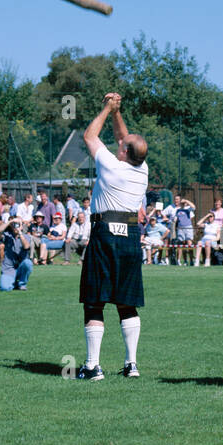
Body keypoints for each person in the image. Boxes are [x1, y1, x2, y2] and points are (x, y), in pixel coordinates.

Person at [77, 92, 148, 381]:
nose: (120, 145)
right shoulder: (141, 169)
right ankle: (131, 364)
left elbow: (89, 136)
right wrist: (118, 112)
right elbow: (125, 138)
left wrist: (107, 107)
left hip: (105, 233)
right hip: (130, 236)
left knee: (95, 300)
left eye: (122, 146)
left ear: (123, 153)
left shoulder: (111, 165)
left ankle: (93, 366)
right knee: (126, 301)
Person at [0, 217, 33, 290]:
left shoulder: (26, 237)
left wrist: (20, 233)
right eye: (15, 225)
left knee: (28, 263)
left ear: (22, 226)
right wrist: (10, 221)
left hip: (21, 266)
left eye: (18, 225)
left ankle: (22, 284)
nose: (16, 227)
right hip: (8, 268)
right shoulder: (7, 236)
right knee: (5, 288)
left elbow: (26, 246)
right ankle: (13, 282)